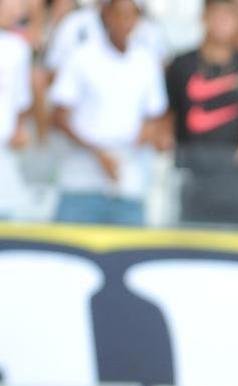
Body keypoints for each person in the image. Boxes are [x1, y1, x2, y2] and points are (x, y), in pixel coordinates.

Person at [49, 0, 168, 225]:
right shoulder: (82, 57)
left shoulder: (146, 61)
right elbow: (59, 116)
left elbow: (155, 116)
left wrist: (137, 144)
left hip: (128, 182)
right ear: (106, 15)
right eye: (119, 15)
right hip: (80, 182)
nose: (124, 22)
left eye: (130, 16)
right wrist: (98, 154)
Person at [165, 0, 238, 227]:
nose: (222, 23)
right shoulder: (181, 64)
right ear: (204, 17)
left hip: (236, 172)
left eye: (228, 17)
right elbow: (167, 114)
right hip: (191, 171)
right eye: (216, 15)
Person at [0, 0, 32, 220]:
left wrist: (19, 127)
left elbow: (21, 99)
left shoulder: (18, 48)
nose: (17, 10)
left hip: (5, 154)